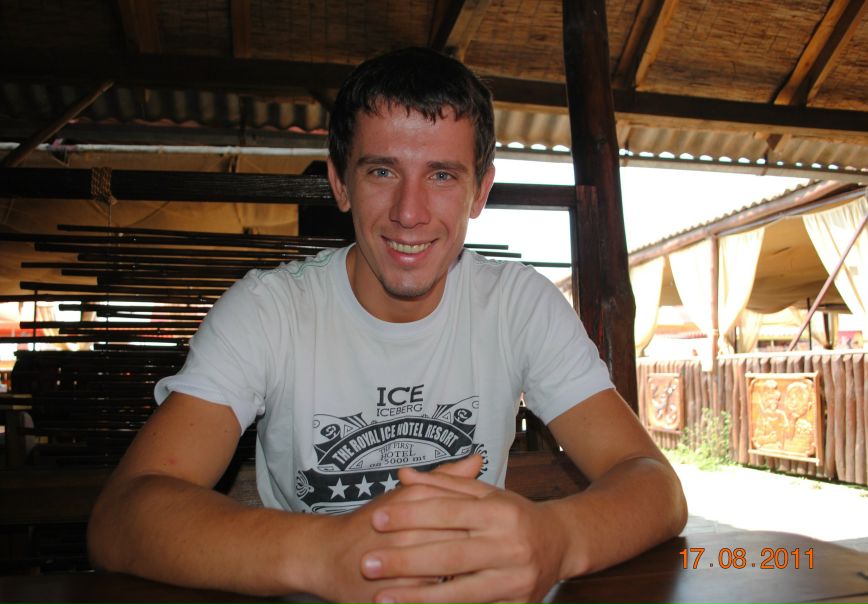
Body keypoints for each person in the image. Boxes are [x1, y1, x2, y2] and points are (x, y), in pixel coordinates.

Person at [87, 47, 687, 603]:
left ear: (480, 191)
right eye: (381, 172)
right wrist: (326, 555)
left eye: (443, 175)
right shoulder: (269, 311)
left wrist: (557, 538)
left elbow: (654, 484)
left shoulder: (518, 304)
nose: (409, 212)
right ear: (340, 184)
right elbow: (122, 516)